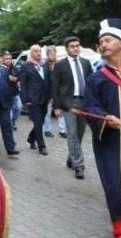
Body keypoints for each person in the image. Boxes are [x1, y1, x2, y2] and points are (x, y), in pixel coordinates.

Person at [84, 18, 121, 238]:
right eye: (101, 41)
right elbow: (90, 108)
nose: (103, 45)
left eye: (107, 40)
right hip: (112, 142)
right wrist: (104, 118)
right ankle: (120, 231)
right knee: (116, 185)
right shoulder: (98, 78)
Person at [52, 37, 93, 179]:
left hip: (84, 103)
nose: (75, 48)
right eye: (72, 46)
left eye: (77, 46)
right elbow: (55, 87)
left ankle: (71, 157)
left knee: (80, 134)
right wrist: (57, 106)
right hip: (68, 103)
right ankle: (79, 165)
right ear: (67, 49)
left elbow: (91, 84)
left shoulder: (86, 63)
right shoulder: (60, 65)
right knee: (73, 134)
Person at [20, 44, 51, 155]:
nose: (38, 53)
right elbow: (23, 84)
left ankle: (31, 138)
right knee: (37, 122)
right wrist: (25, 100)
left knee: (40, 122)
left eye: (39, 51)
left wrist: (51, 95)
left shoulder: (45, 64)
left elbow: (49, 79)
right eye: (36, 51)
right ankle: (41, 146)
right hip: (33, 99)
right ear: (31, 53)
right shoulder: (26, 66)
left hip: (45, 98)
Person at [43, 46, 67, 138]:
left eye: (54, 53)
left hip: (59, 92)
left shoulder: (60, 64)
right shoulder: (44, 65)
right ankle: (47, 130)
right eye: (50, 53)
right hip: (48, 92)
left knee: (61, 111)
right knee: (47, 112)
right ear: (47, 54)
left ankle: (62, 130)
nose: (52, 55)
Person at [2, 52, 22, 130]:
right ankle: (9, 125)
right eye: (6, 59)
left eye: (9, 58)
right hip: (4, 94)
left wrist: (13, 78)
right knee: (8, 113)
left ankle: (13, 121)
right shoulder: (0, 68)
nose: (8, 60)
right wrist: (10, 78)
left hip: (14, 93)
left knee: (18, 108)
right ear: (2, 59)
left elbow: (18, 78)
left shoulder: (14, 68)